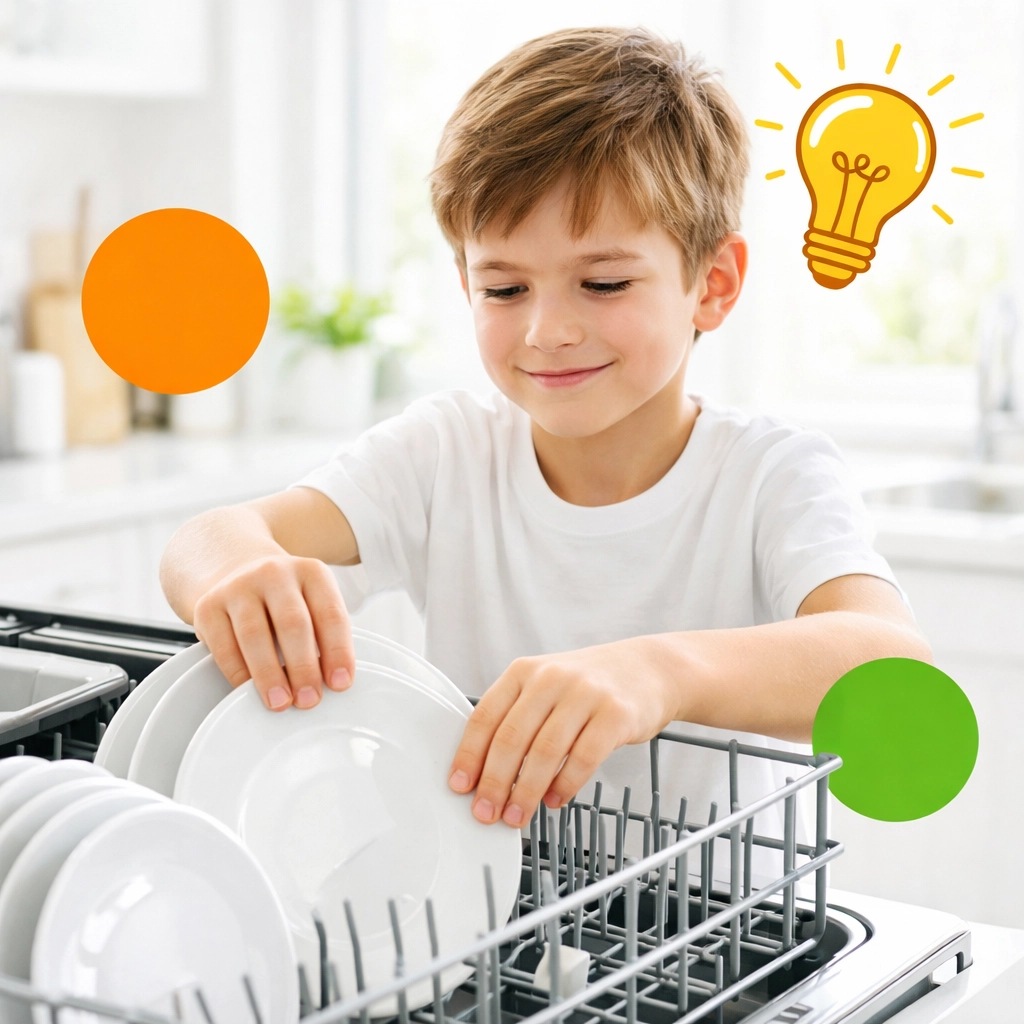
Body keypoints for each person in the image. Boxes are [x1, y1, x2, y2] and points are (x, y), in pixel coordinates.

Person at [160, 26, 929, 873]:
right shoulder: (444, 453)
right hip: (487, 918)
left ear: (712, 285)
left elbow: (891, 659)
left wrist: (657, 672)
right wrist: (241, 569)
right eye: (504, 288)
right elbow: (206, 540)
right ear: (465, 283)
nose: (547, 331)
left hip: (711, 932)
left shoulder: (770, 476)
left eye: (603, 283)